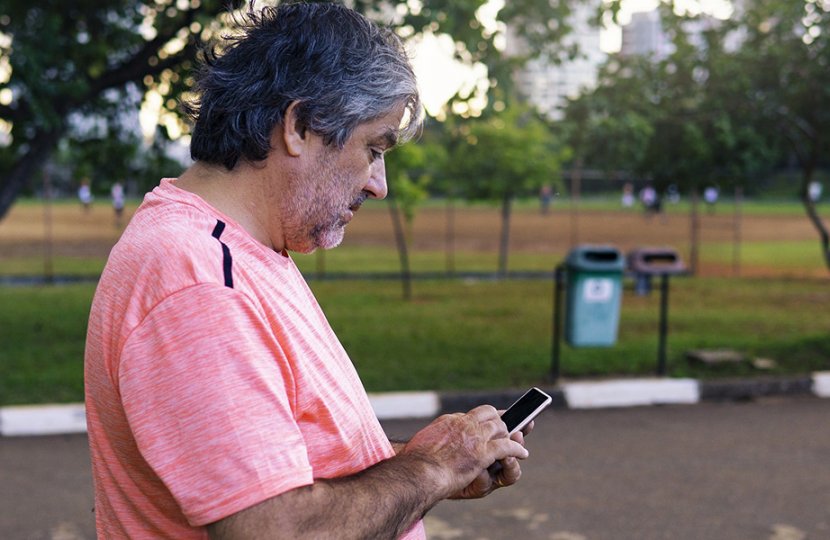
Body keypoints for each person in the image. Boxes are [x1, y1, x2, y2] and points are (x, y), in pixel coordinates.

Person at [84, 3, 531, 539]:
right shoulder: (199, 280)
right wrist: (431, 469)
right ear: (299, 126)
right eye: (373, 147)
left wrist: (430, 462)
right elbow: (274, 529)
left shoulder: (241, 251)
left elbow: (289, 459)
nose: (378, 184)